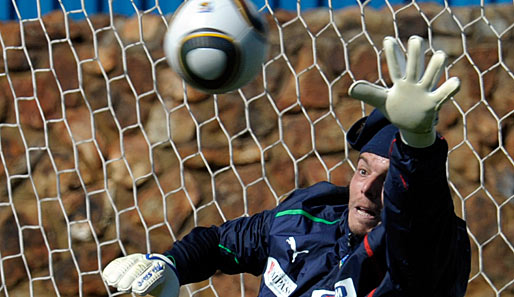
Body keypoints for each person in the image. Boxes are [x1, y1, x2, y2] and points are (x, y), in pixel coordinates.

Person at [101, 35, 471, 297]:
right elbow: (218, 242)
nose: (368, 188)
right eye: (362, 170)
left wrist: (418, 147)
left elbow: (418, 225)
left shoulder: (427, 254)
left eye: (388, 179)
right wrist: (170, 266)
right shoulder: (306, 218)